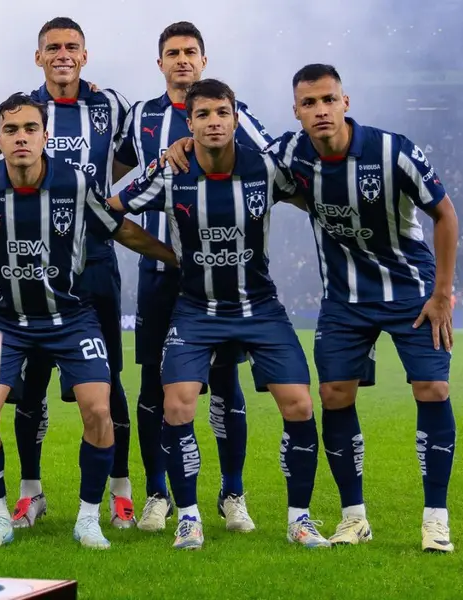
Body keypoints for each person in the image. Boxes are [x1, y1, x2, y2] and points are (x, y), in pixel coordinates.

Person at [165, 64, 460, 552]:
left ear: (346, 102)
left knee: (432, 388)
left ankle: (435, 517)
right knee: (334, 396)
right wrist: (179, 150)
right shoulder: (287, 154)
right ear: (296, 111)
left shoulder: (394, 150)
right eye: (309, 103)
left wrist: (443, 293)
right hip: (344, 299)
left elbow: (445, 215)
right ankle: (353, 516)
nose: (320, 110)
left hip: (411, 292)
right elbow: (230, 159)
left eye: (328, 100)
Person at [111, 79, 330, 550]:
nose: (214, 122)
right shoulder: (171, 172)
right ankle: (188, 517)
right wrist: (169, 255)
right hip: (195, 309)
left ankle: (300, 519)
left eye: (222, 113)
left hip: (259, 307)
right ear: (188, 123)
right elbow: (111, 211)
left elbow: (314, 197)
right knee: (176, 403)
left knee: (300, 405)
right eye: (204, 114)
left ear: (235, 118)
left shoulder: (266, 169)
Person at [0, 94, 174, 551]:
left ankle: (88, 517)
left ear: (44, 136)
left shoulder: (73, 182)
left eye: (30, 129)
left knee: (99, 408)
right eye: (11, 130)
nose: (20, 138)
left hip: (71, 318)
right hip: (7, 320)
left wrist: (177, 260)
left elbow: (119, 229)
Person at [114, 22, 273, 533]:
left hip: (223, 277)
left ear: (203, 60)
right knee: (154, 387)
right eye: (172, 53)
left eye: (190, 53)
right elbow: (118, 178)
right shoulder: (140, 116)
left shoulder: (234, 116)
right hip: (162, 275)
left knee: (225, 382)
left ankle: (233, 493)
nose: (182, 60)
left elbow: (272, 165)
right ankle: (158, 493)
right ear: (158, 62)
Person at [7, 16, 139, 531]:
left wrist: (100, 196)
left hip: (97, 262)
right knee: (32, 379)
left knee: (108, 381)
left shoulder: (110, 104)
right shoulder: (24, 110)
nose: (63, 54)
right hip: (32, 263)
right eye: (52, 48)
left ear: (85, 55)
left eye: (72, 47)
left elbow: (129, 156)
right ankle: (30, 492)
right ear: (39, 57)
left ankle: (121, 492)